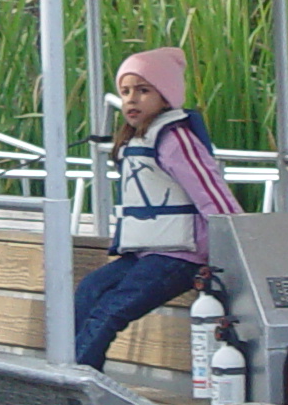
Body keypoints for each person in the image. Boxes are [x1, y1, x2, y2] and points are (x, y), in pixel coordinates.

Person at [72, 47, 242, 372]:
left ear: (166, 97)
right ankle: (70, 368)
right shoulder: (140, 139)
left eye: (143, 90)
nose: (132, 99)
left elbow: (213, 194)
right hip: (149, 252)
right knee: (90, 289)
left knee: (110, 310)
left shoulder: (175, 139)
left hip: (183, 255)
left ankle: (80, 380)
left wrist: (239, 241)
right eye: (125, 92)